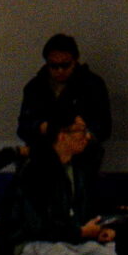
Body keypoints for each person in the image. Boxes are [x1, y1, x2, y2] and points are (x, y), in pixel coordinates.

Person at [9, 114, 119, 255]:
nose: (86, 137)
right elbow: (38, 224)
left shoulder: (75, 169)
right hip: (34, 243)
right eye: (80, 131)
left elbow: (71, 215)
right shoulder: (36, 170)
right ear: (62, 136)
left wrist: (93, 232)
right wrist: (79, 231)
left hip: (63, 239)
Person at [16, 34, 111, 174]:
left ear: (75, 61)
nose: (60, 70)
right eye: (54, 66)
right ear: (46, 63)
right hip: (42, 156)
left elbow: (104, 127)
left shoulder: (92, 85)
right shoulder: (35, 87)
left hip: (81, 157)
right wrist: (41, 127)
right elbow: (23, 126)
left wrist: (80, 135)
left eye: (65, 65)